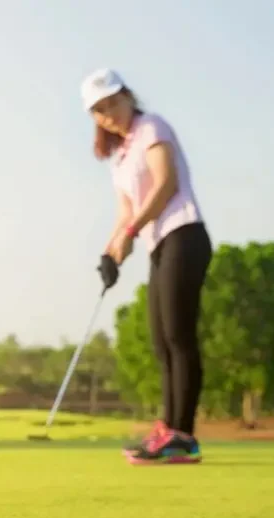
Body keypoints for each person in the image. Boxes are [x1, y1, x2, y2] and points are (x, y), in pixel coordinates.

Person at [82, 67, 212, 463]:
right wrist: (110, 252)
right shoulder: (118, 158)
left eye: (113, 103)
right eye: (99, 110)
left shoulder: (152, 127)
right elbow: (126, 213)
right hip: (160, 244)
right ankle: (167, 430)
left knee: (178, 337)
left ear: (128, 97)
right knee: (160, 342)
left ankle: (183, 435)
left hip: (184, 234)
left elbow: (166, 184)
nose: (109, 113)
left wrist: (133, 231)